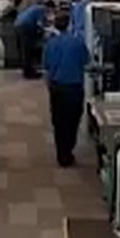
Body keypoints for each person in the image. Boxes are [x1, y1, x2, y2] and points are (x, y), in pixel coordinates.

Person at [43, 10, 91, 168]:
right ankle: (68, 150)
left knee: (58, 121)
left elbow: (47, 67)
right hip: (74, 87)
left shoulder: (51, 43)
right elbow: (86, 61)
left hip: (57, 87)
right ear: (70, 24)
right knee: (72, 121)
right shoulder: (77, 42)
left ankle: (61, 152)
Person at [15, 0, 48, 79]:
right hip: (26, 28)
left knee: (24, 50)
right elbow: (40, 24)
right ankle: (28, 72)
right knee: (28, 50)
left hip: (18, 25)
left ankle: (27, 70)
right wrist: (45, 29)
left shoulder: (33, 8)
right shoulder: (42, 9)